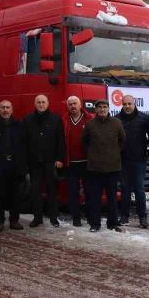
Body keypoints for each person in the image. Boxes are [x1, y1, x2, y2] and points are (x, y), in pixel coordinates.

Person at [81, 99, 126, 233]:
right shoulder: (90, 124)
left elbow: (122, 141)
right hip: (95, 168)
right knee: (95, 198)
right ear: (95, 109)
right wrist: (94, 154)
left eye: (105, 107)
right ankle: (95, 224)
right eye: (99, 107)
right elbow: (85, 143)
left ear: (108, 108)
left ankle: (112, 223)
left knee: (112, 197)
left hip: (113, 168)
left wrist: (113, 153)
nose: (102, 109)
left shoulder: (117, 123)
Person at [0, 100, 27, 231]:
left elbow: (25, 147)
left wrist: (24, 166)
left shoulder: (20, 125)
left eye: (8, 107)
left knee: (16, 195)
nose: (5, 110)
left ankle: (14, 221)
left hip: (15, 165)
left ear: (12, 109)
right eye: (2, 107)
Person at [23, 94, 65, 227]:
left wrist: (59, 158)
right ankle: (37, 218)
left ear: (48, 104)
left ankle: (54, 218)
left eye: (43, 102)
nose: (41, 104)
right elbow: (24, 142)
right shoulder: (28, 119)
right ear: (35, 104)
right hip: (34, 162)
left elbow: (60, 141)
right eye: (38, 102)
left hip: (50, 161)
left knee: (52, 190)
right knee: (35, 191)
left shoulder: (56, 119)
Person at [118, 94, 149, 228]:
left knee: (139, 189)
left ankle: (142, 217)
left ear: (134, 104)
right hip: (123, 160)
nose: (127, 106)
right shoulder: (116, 119)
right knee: (125, 189)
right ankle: (124, 216)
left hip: (139, 160)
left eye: (129, 104)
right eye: (125, 104)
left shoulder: (144, 118)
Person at [62, 95, 91, 227]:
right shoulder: (64, 120)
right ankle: (76, 217)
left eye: (75, 103)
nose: (73, 106)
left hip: (87, 162)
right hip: (71, 163)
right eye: (70, 104)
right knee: (73, 192)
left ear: (80, 105)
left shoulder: (89, 119)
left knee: (89, 190)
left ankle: (91, 216)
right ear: (67, 106)